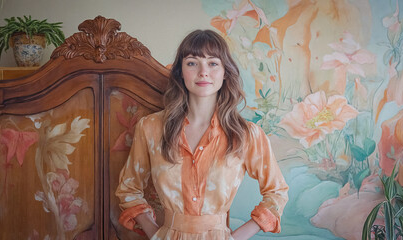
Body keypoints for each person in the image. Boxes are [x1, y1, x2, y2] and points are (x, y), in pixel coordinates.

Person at [115, 29, 289, 240]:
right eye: (192, 63)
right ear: (180, 71)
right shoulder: (150, 127)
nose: (203, 71)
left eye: (213, 63)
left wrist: (236, 237)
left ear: (225, 72)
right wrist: (155, 234)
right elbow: (128, 189)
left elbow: (277, 192)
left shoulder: (246, 134)